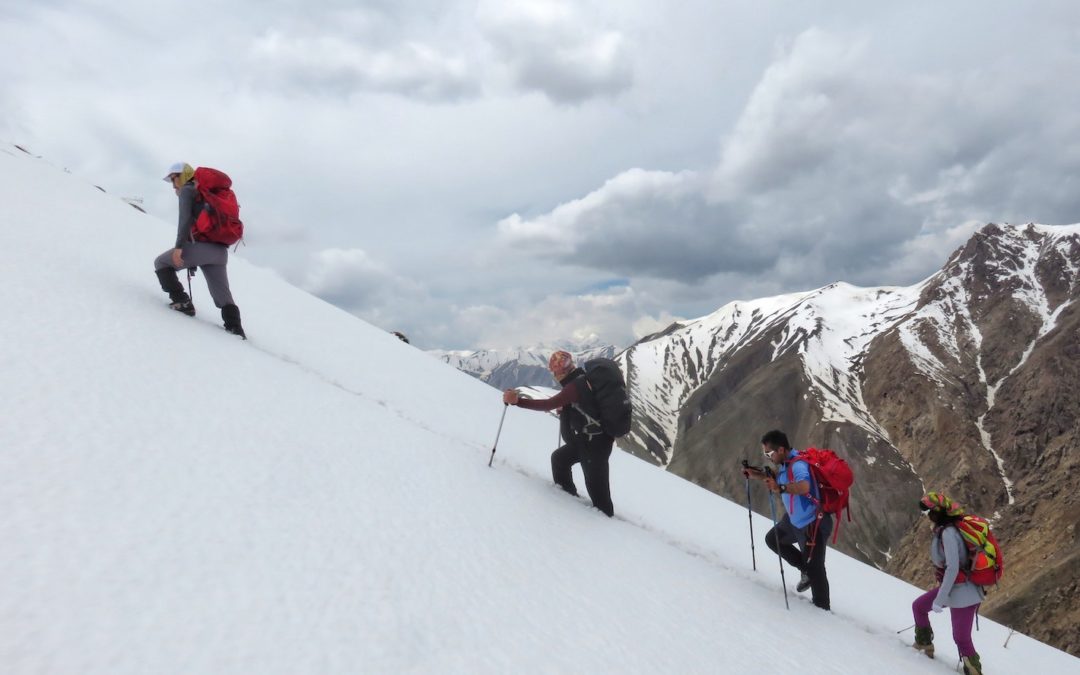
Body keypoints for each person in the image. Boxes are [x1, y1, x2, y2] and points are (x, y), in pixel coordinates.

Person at [502, 351, 614, 517]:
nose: (554, 376)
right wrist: (568, 409)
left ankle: (609, 525)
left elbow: (548, 404)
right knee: (559, 459)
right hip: (587, 440)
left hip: (595, 445)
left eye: (555, 372)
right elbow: (586, 405)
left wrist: (518, 401)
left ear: (561, 371)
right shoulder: (581, 379)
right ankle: (567, 499)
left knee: (598, 493)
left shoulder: (575, 386)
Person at [153, 162, 246, 338]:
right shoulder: (207, 192)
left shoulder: (188, 190)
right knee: (223, 296)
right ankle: (236, 331)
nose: (174, 185)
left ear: (183, 175)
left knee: (161, 263)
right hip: (219, 252)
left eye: (174, 179)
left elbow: (184, 221)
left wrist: (179, 247)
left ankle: (182, 302)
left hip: (201, 248)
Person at [744, 429, 832, 610]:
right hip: (794, 521)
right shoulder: (786, 463)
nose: (767, 456)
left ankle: (822, 609)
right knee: (773, 540)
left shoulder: (798, 465)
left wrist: (780, 488)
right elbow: (780, 477)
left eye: (769, 453)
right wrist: (758, 475)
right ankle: (805, 571)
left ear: (781, 449)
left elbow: (804, 486)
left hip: (813, 524)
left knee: (816, 568)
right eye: (765, 453)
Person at [911, 492, 984, 675]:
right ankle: (924, 644)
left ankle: (974, 670)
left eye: (931, 511)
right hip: (958, 589)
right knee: (919, 607)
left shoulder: (948, 533)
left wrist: (939, 599)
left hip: (963, 592)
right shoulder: (949, 529)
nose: (929, 515)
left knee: (961, 638)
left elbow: (952, 567)